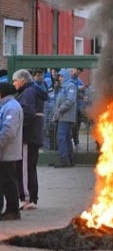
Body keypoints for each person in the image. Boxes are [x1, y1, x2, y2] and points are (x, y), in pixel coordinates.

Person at [13, 69, 48, 210]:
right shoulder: (32, 91)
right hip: (32, 135)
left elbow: (27, 113)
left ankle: (27, 199)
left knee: (25, 168)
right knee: (30, 167)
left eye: (15, 80)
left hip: (28, 136)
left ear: (23, 80)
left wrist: (17, 127)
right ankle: (31, 197)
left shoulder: (27, 93)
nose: (14, 83)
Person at [0, 82, 23, 221]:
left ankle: (13, 211)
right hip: (4, 152)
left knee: (9, 182)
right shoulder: (6, 106)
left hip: (7, 153)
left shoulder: (11, 108)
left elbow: (8, 131)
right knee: (5, 182)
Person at [52, 69, 77, 167]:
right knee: (66, 138)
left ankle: (64, 160)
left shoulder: (70, 86)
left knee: (61, 138)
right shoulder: (63, 87)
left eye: (61, 76)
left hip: (65, 116)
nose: (60, 78)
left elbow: (70, 101)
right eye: (59, 76)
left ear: (66, 76)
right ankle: (69, 159)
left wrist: (60, 110)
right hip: (63, 116)